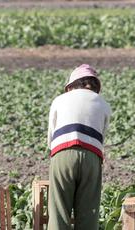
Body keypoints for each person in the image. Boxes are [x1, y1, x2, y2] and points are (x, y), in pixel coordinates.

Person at [47, 64, 111, 230]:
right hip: (92, 156)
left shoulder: (59, 100)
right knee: (88, 213)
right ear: (96, 87)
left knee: (59, 211)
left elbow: (51, 135)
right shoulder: (103, 104)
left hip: (63, 153)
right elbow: (102, 135)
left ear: (71, 86)